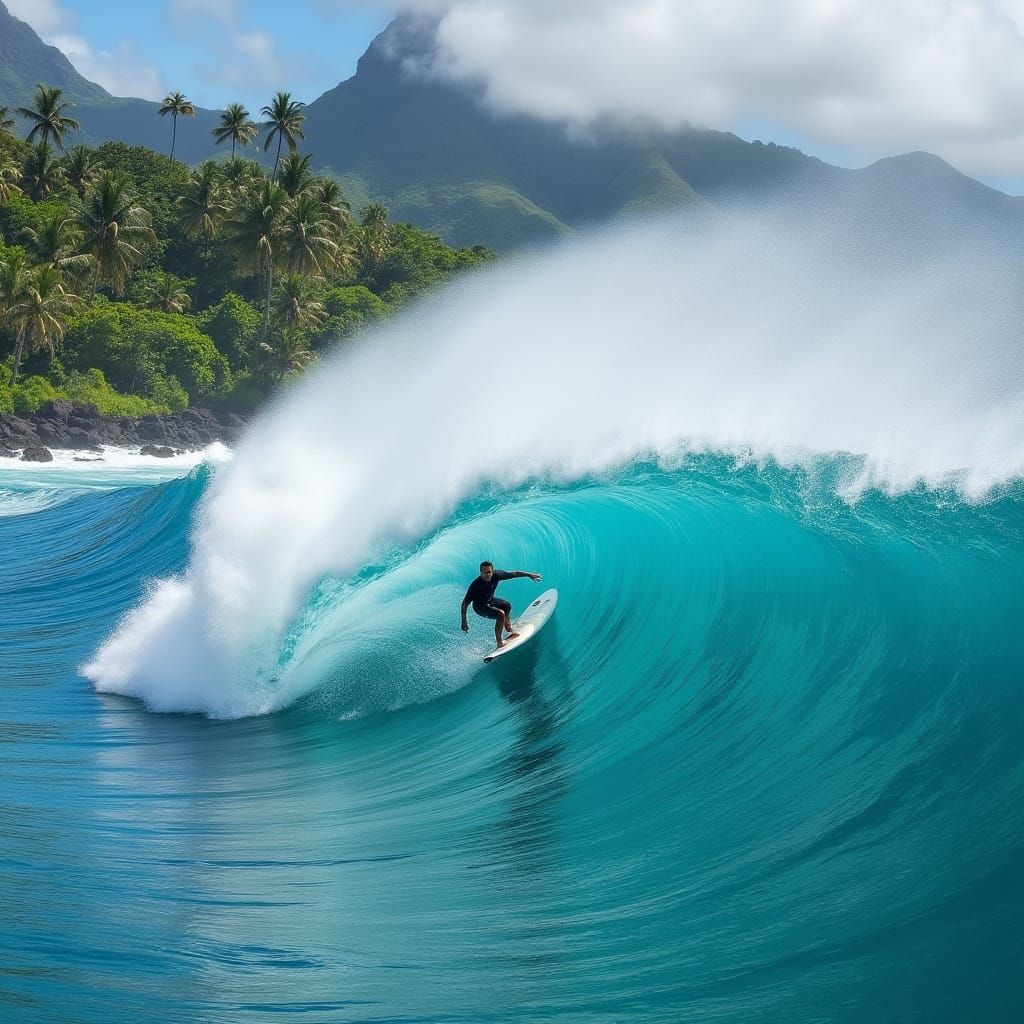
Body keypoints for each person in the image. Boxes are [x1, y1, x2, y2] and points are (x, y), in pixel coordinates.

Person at [461, 561, 542, 649]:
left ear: (492, 571)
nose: (487, 574)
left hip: (489, 600)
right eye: (485, 573)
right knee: (500, 614)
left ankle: (509, 629)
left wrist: (529, 575)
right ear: (481, 573)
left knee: (507, 605)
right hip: (479, 607)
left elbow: (514, 573)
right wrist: (464, 621)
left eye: (489, 572)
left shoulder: (497, 575)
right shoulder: (475, 585)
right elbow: (465, 604)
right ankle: (499, 642)